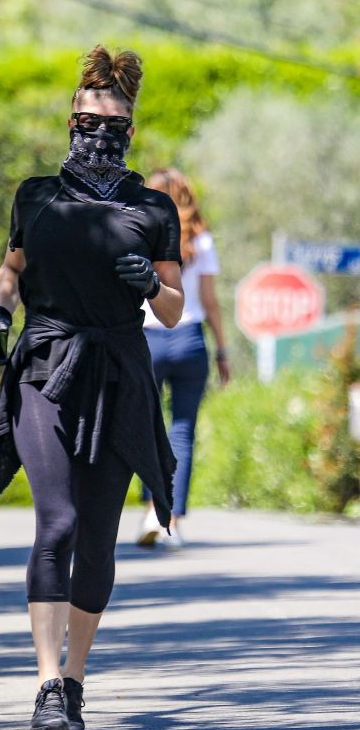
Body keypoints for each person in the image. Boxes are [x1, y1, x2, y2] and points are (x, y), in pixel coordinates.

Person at [0, 46, 184, 730]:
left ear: (129, 132)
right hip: (45, 365)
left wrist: (150, 284)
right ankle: (47, 683)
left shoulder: (153, 208)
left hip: (117, 371)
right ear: (71, 122)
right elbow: (11, 265)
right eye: (86, 123)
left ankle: (76, 681)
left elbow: (171, 310)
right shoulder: (36, 196)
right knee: (55, 524)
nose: (97, 136)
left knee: (98, 538)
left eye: (110, 127)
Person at [137, 168, 230, 548]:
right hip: (190, 339)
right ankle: (171, 517)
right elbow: (209, 303)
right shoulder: (202, 241)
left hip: (148, 337)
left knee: (146, 428)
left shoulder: (140, 236)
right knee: (182, 432)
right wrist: (223, 350)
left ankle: (150, 511)